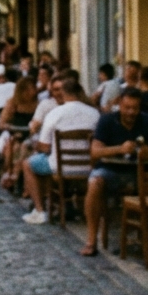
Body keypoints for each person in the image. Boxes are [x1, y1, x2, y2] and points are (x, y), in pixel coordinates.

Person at [82, 87, 148, 256]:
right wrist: (120, 148)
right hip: (111, 170)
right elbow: (95, 152)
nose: (131, 112)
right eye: (127, 107)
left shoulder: (147, 121)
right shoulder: (107, 120)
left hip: (140, 173)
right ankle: (91, 240)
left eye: (135, 108)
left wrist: (147, 150)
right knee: (95, 182)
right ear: (119, 105)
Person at [22, 76, 100, 224]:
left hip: (59, 168)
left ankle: (40, 210)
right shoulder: (94, 113)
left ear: (63, 93)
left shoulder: (55, 113)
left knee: (28, 164)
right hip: (89, 168)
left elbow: (44, 146)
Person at [0, 76, 40, 191]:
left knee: (24, 147)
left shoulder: (37, 103)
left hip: (29, 134)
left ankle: (15, 176)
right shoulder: (13, 103)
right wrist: (12, 128)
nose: (34, 91)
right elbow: (2, 123)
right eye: (31, 89)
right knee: (13, 145)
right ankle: (10, 172)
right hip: (13, 132)